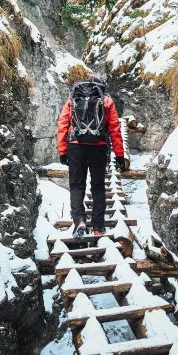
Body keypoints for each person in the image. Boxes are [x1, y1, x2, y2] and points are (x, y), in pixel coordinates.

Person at [57, 77, 129, 237]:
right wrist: (119, 155)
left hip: (76, 146)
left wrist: (62, 151)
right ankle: (98, 227)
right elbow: (115, 130)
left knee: (76, 186)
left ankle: (80, 222)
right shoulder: (107, 101)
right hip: (98, 147)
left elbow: (63, 125)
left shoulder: (72, 100)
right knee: (98, 187)